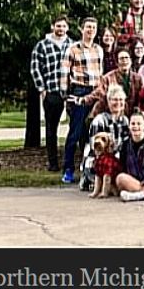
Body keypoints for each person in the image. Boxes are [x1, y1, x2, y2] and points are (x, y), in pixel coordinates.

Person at [60, 14, 104, 185]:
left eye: (93, 28)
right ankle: (68, 169)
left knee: (93, 131)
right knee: (75, 131)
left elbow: (100, 72)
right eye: (88, 27)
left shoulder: (98, 49)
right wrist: (65, 95)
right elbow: (64, 72)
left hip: (95, 91)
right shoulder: (73, 49)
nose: (91, 31)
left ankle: (89, 169)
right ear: (81, 29)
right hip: (78, 90)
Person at [29, 14, 73, 172]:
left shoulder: (72, 45)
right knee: (51, 128)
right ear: (52, 27)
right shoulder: (42, 45)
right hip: (51, 91)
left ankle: (71, 161)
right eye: (58, 26)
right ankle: (53, 162)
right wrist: (42, 89)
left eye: (63, 26)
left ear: (67, 28)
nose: (61, 29)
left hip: (69, 92)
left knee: (74, 127)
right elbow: (35, 68)